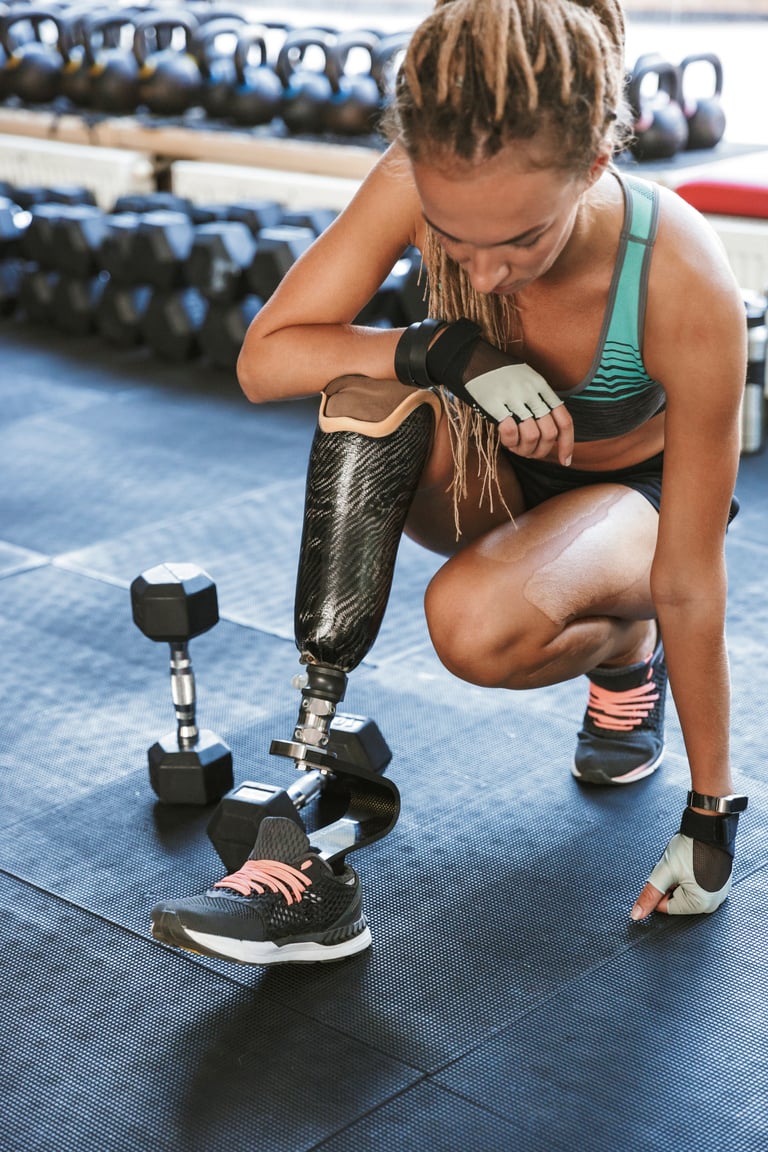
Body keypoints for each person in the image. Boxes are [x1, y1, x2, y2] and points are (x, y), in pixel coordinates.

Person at [150, 0, 748, 966]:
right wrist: (442, 347)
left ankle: (624, 649)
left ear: (595, 167)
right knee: (360, 390)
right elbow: (266, 361)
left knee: (471, 628)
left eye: (520, 239)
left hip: (640, 510)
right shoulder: (414, 174)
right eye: (452, 238)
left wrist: (714, 813)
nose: (486, 268)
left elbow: (692, 571)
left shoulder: (680, 275)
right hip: (495, 475)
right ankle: (298, 844)